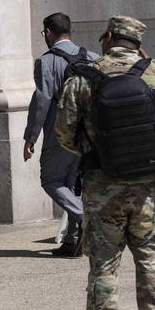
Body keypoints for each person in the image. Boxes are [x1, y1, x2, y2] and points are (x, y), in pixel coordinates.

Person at [56, 16, 155, 310]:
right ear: (136, 41)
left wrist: (93, 152)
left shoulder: (84, 76)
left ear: (110, 37)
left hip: (101, 188)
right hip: (148, 189)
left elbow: (63, 133)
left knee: (103, 265)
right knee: (151, 262)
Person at [24, 13, 97, 257]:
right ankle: (72, 240)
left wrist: (30, 137)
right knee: (72, 184)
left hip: (60, 131)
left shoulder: (47, 62)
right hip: (87, 131)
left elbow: (42, 101)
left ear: (47, 32)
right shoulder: (92, 57)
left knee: (51, 180)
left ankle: (85, 219)